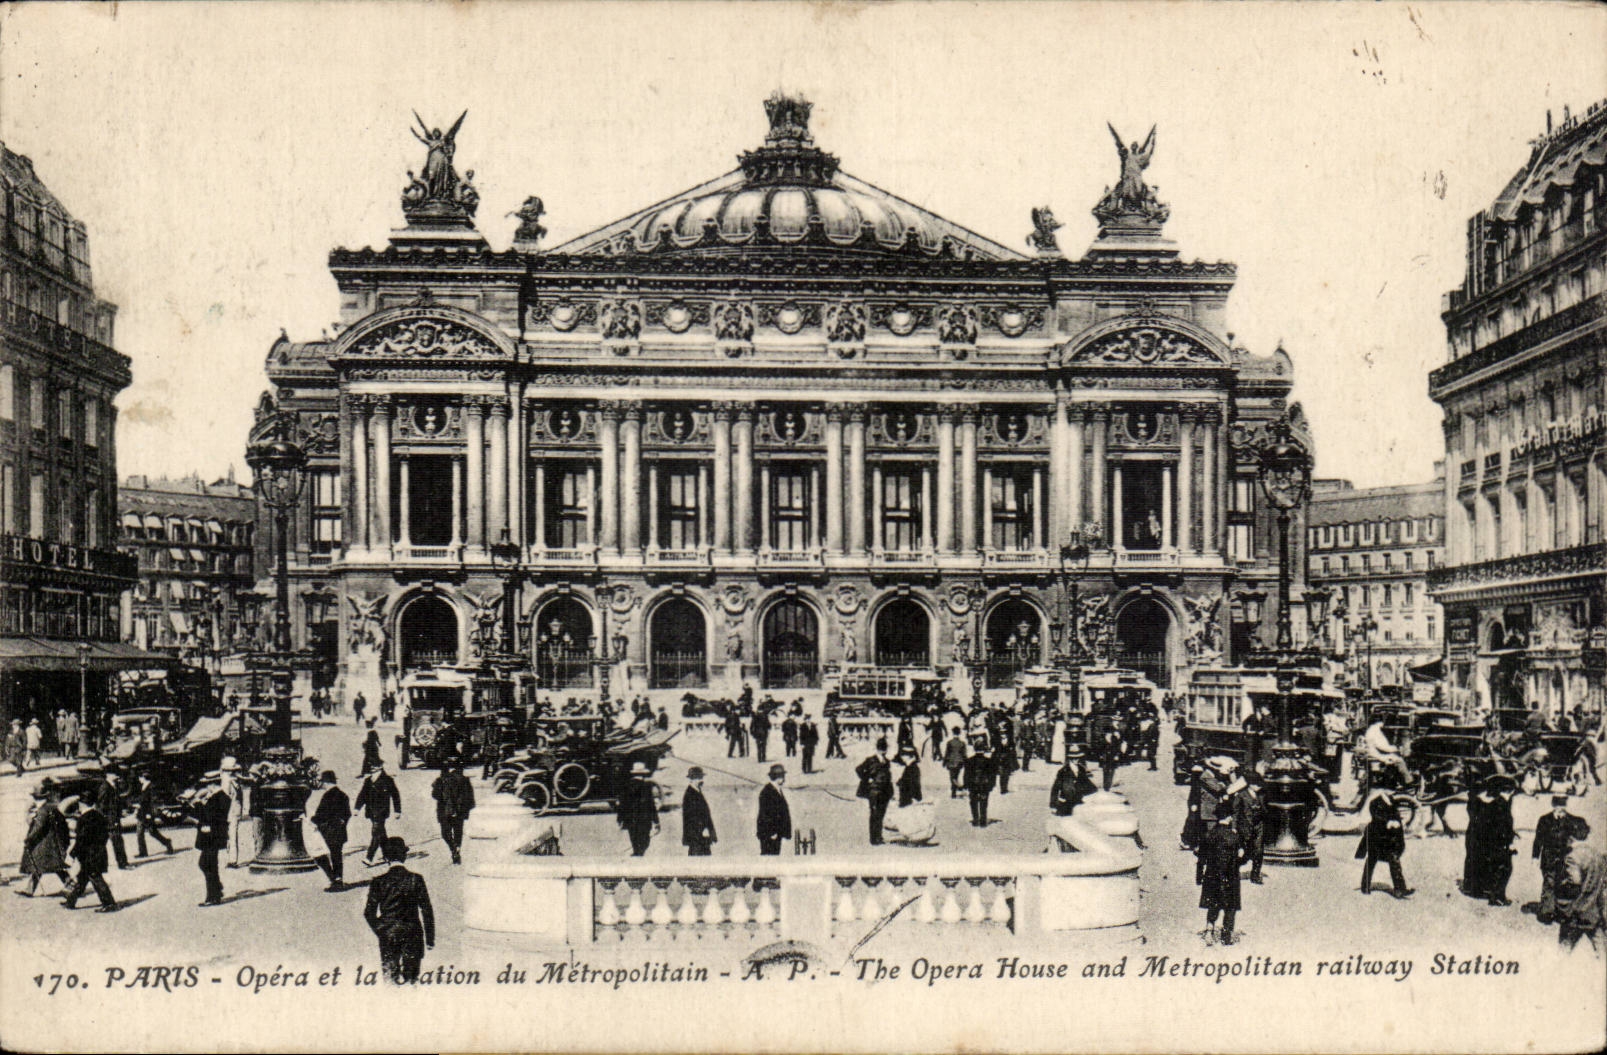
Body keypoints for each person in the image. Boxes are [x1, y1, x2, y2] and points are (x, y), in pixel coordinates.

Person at [363, 837, 435, 984]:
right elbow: (426, 910)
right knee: (412, 980)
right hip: (412, 933)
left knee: (390, 979)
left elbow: (369, 913)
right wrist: (430, 939)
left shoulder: (378, 882)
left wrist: (381, 930)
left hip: (389, 934)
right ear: (404, 856)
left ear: (385, 858)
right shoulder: (416, 879)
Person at [1556, 817, 1604, 954]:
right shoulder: (1598, 856)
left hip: (1575, 912)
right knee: (1601, 950)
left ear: (1570, 837)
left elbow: (1575, 882)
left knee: (1564, 949)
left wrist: (1561, 887)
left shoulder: (1573, 857)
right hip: (1594, 911)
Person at [62, 797, 118, 912]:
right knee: (82, 878)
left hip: (89, 855)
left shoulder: (84, 818)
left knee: (95, 877)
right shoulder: (99, 815)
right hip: (98, 852)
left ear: (82, 804)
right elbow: (104, 835)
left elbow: (82, 839)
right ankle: (70, 902)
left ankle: (109, 903)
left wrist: (72, 854)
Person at [18, 780, 72, 897]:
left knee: (41, 866)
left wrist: (29, 839)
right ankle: (29, 890)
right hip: (51, 844)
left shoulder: (43, 810)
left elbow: (38, 827)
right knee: (50, 866)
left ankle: (72, 886)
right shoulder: (52, 808)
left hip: (43, 844)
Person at [1198, 810, 1244, 945]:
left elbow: (1201, 858)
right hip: (1230, 875)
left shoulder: (1208, 835)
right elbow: (1241, 858)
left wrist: (1199, 876)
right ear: (1228, 818)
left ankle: (1209, 930)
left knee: (1213, 903)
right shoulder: (1234, 837)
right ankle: (1226, 935)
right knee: (1230, 906)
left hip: (1212, 875)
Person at [1533, 795, 1581, 924]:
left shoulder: (1569, 820)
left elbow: (1578, 835)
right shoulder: (1544, 820)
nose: (1561, 808)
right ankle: (1547, 913)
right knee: (1549, 883)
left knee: (1562, 884)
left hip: (1564, 858)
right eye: (1558, 805)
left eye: (1563, 805)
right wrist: (1535, 856)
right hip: (1548, 857)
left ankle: (1561, 912)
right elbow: (1538, 839)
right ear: (1553, 806)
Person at [1357, 794, 1413, 898]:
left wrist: (1397, 822)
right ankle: (1365, 886)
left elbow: (1395, 814)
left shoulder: (1391, 799)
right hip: (1377, 838)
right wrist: (1387, 822)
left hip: (1389, 840)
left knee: (1393, 861)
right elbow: (1375, 817)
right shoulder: (1375, 801)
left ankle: (1400, 889)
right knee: (1372, 861)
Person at [191, 774, 231, 906]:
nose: (207, 787)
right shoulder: (214, 797)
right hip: (210, 836)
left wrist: (199, 804)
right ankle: (216, 889)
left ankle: (212, 897)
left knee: (208, 864)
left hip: (214, 836)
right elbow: (204, 815)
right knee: (207, 864)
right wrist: (195, 804)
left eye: (208, 784)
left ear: (213, 784)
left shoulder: (221, 798)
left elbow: (213, 817)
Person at [309, 770, 351, 890]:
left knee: (320, 855)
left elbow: (321, 814)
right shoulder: (343, 795)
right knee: (337, 855)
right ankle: (338, 879)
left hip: (328, 831)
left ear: (326, 783)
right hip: (340, 831)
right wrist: (342, 823)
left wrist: (312, 820)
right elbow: (347, 814)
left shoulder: (327, 796)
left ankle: (333, 880)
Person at [355, 762, 402, 866]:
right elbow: (362, 795)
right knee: (381, 834)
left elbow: (395, 795)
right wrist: (357, 808)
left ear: (380, 766)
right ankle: (388, 855)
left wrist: (397, 810)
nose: (372, 767)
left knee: (376, 832)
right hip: (371, 811)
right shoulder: (368, 780)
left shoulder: (388, 780)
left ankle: (369, 857)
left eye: (374, 765)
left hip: (382, 811)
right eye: (371, 766)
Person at [431, 764, 475, 865]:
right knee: (457, 832)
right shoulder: (464, 780)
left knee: (445, 833)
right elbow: (470, 798)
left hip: (444, 811)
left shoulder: (441, 780)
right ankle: (457, 849)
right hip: (459, 812)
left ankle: (453, 848)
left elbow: (435, 795)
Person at [855, 738, 895, 846]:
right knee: (874, 814)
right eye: (881, 749)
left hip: (885, 792)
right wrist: (866, 779)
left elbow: (888, 778)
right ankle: (873, 839)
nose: (883, 751)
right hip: (874, 791)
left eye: (884, 749)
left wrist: (891, 792)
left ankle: (879, 836)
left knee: (881, 814)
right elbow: (858, 769)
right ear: (877, 749)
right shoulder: (870, 760)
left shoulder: (887, 761)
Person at [616, 761, 659, 857]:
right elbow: (651, 806)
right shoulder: (646, 787)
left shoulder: (626, 787)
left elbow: (622, 804)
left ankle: (637, 853)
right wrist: (656, 821)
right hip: (644, 820)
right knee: (644, 842)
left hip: (631, 820)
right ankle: (639, 853)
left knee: (635, 841)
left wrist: (620, 819)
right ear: (643, 774)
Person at [1232, 773, 1266, 885]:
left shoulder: (1261, 795)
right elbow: (1236, 813)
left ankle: (1255, 875)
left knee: (1259, 851)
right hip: (1245, 827)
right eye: (1257, 784)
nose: (1259, 787)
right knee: (1244, 853)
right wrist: (1234, 827)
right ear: (1251, 784)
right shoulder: (1241, 795)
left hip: (1258, 826)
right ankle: (1233, 872)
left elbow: (1265, 810)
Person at [133, 772, 174, 857]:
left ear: (143, 777)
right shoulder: (143, 787)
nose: (139, 779)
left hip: (147, 813)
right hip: (142, 813)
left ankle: (167, 842)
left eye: (140, 777)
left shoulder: (152, 787)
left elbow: (153, 802)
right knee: (140, 832)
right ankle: (143, 852)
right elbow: (143, 800)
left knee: (152, 832)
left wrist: (150, 813)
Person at [1363, 715, 1411, 786]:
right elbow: (1381, 746)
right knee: (1399, 760)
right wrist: (1395, 748)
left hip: (1374, 752)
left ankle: (1393, 780)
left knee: (1394, 757)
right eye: (1382, 721)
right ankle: (1408, 781)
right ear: (1378, 722)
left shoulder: (1371, 730)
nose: (1383, 723)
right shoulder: (1375, 731)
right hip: (1377, 754)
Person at [220, 758, 251, 868]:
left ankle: (232, 860)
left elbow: (225, 797)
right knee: (232, 835)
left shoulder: (227, 781)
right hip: (235, 810)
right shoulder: (236, 780)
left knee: (231, 835)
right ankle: (232, 858)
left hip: (230, 811)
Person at [1049, 745, 1097, 817]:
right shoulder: (1063, 771)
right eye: (1073, 758)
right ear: (1070, 758)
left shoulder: (1081, 769)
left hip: (1078, 803)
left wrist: (1093, 794)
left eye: (1077, 758)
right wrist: (1053, 805)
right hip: (1066, 803)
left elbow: (1088, 784)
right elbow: (1055, 788)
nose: (1076, 760)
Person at [96, 770, 129, 870]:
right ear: (108, 775)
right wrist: (107, 819)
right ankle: (122, 864)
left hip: (113, 818)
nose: (117, 776)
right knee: (117, 841)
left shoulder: (113, 785)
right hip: (110, 820)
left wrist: (120, 812)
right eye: (115, 773)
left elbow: (115, 803)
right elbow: (102, 805)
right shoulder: (105, 787)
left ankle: (121, 863)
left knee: (115, 841)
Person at [756, 764, 791, 855]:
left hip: (775, 833)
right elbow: (765, 814)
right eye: (782, 776)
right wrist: (771, 832)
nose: (784, 779)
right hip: (770, 834)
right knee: (769, 857)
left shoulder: (776, 789)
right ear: (778, 777)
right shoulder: (767, 792)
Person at [681, 767, 716, 856]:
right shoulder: (690, 794)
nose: (701, 780)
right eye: (699, 778)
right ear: (692, 779)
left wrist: (710, 831)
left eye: (701, 778)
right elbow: (692, 817)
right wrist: (702, 830)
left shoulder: (697, 791)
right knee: (697, 859)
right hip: (696, 836)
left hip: (700, 835)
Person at [964, 734, 996, 828]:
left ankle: (975, 820)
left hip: (973, 784)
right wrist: (991, 785)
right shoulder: (988, 761)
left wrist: (966, 784)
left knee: (973, 802)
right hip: (984, 784)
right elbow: (992, 774)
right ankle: (983, 820)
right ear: (984, 749)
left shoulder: (969, 761)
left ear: (974, 749)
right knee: (984, 802)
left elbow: (966, 774)